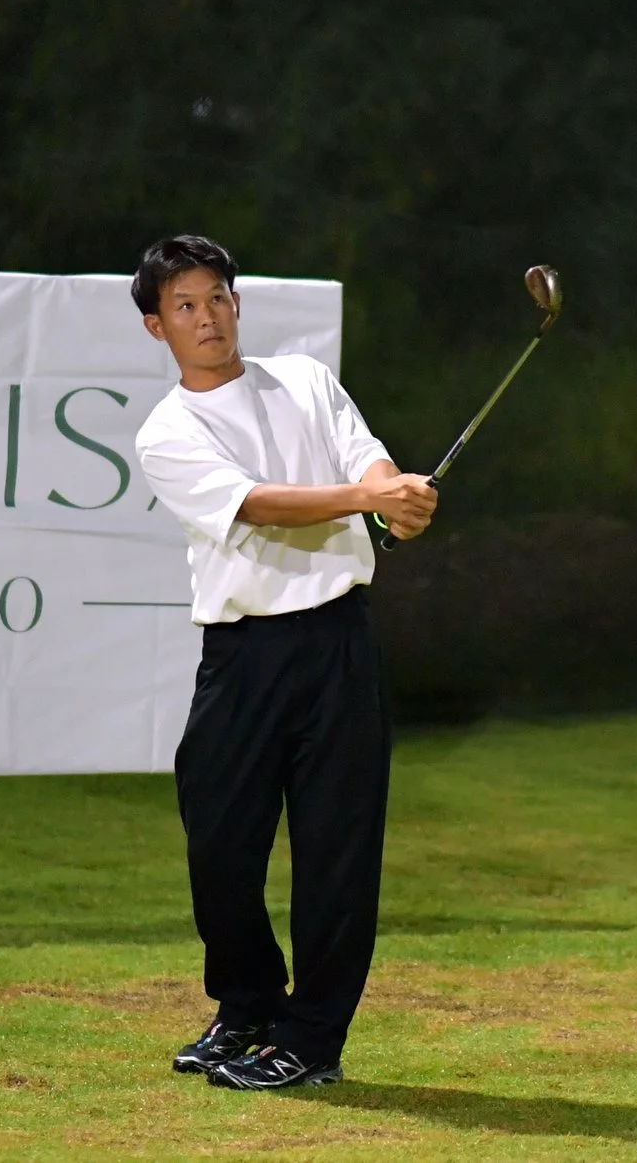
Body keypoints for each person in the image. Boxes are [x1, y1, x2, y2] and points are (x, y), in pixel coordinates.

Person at [131, 234, 440, 1091]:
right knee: (220, 846)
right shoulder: (168, 431)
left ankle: (314, 1035)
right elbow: (259, 507)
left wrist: (397, 498)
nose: (208, 317)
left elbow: (361, 453)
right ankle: (249, 1005)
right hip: (243, 654)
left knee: (338, 851)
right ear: (158, 327)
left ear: (238, 303)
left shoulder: (303, 377)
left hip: (339, 642)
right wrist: (368, 498)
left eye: (218, 297)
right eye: (185, 305)